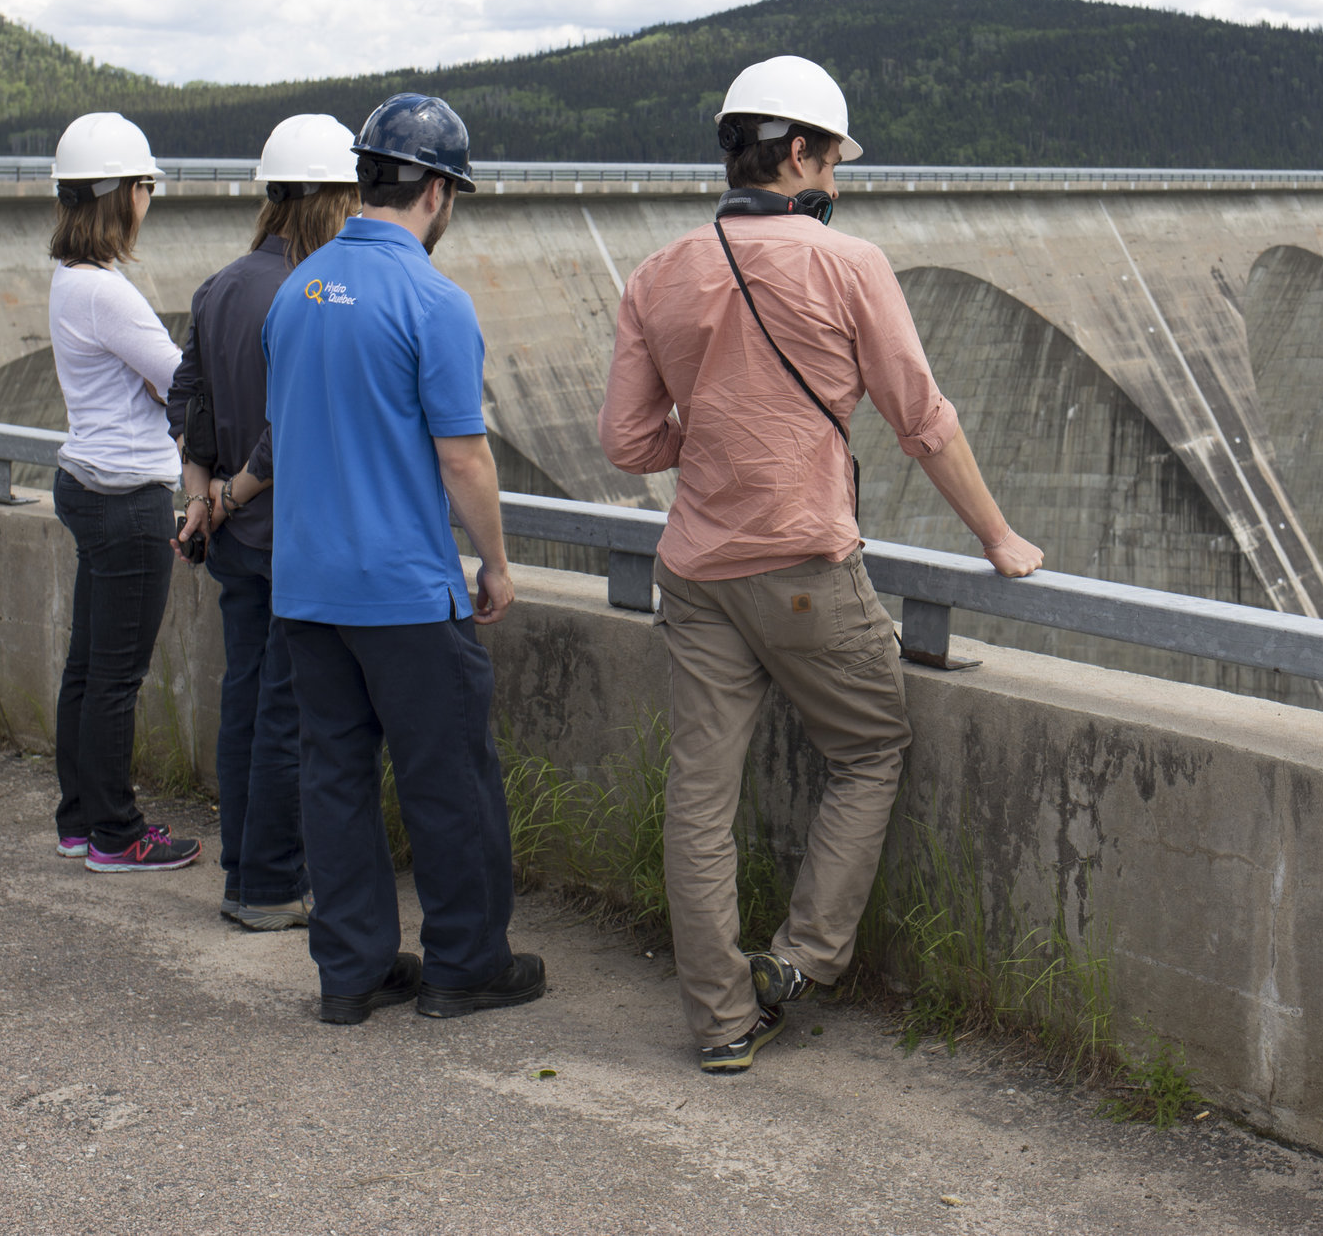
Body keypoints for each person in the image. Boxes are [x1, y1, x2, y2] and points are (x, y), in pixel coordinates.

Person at [597, 55, 1044, 1075]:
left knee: (699, 797)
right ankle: (797, 964)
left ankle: (719, 1021)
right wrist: (995, 537)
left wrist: (709, 437)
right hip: (802, 568)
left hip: (697, 572)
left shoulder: (658, 271)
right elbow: (921, 422)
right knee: (872, 747)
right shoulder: (848, 265)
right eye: (833, 157)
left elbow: (629, 443)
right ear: (796, 150)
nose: (838, 177)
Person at [260, 92, 547, 1026]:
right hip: (404, 592)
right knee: (448, 778)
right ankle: (464, 964)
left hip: (306, 587)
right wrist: (495, 561)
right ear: (434, 188)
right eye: (452, 192)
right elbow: (462, 455)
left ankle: (350, 973)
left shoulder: (294, 292)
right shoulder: (432, 299)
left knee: (333, 776)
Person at [168, 114, 360, 931]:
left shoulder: (217, 287)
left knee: (243, 699)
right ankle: (274, 884)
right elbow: (291, 428)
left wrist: (201, 498)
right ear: (333, 199)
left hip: (236, 547)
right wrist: (236, 494)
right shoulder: (313, 293)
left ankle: (244, 872)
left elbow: (191, 407)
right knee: (289, 712)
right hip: (292, 540)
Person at [45, 112, 200, 874]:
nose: (149, 197)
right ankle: (117, 832)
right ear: (121, 195)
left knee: (86, 665)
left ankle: (78, 817)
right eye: (146, 185)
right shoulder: (109, 293)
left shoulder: (69, 282)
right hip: (128, 496)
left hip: (85, 482)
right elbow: (183, 381)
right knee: (116, 677)